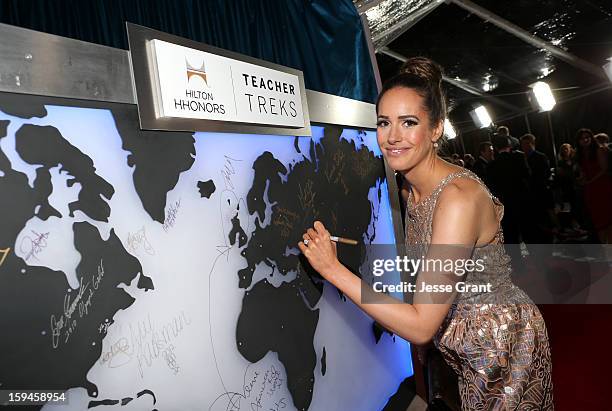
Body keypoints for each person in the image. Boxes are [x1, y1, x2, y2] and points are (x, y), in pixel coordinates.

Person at [298, 57, 553, 410]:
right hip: (456, 346)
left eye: (409, 122)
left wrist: (333, 270)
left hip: (502, 344)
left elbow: (420, 325)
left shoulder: (457, 200)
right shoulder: (407, 188)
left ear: (436, 129)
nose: (392, 137)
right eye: (384, 123)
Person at [575, 128, 612, 243]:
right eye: (582, 138)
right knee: (598, 222)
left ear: (591, 138)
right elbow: (582, 172)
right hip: (590, 190)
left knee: (608, 220)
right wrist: (581, 179)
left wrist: (589, 181)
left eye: (587, 137)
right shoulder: (580, 154)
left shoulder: (599, 150)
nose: (585, 140)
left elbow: (604, 170)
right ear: (578, 141)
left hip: (602, 187)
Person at [520, 133, 555, 243]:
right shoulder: (522, 158)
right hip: (531, 193)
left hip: (540, 191)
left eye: (527, 144)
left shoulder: (540, 156)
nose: (524, 146)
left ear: (532, 143)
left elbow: (545, 173)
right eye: (523, 144)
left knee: (545, 215)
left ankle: (551, 236)